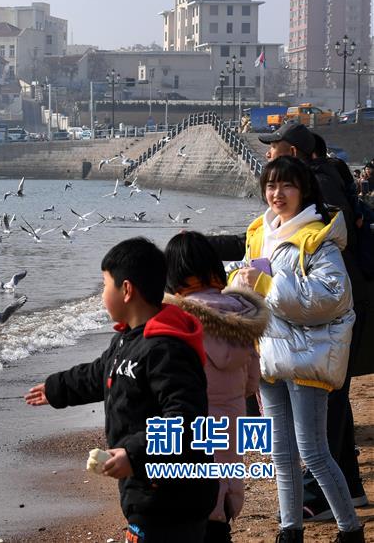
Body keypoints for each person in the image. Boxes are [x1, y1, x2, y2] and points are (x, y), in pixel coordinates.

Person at [208, 122, 372, 521]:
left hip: (312, 341)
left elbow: (325, 287)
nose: (276, 190)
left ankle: (341, 515)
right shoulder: (265, 227)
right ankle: (295, 523)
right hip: (274, 347)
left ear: (296, 159)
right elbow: (255, 265)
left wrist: (264, 283)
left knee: (314, 444)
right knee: (284, 451)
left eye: (275, 149)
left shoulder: (320, 217)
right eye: (270, 186)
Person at [25, 237, 217, 542]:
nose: (102, 295)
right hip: (145, 488)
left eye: (104, 285)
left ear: (126, 290)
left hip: (171, 493)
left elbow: (186, 419)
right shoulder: (127, 341)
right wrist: (55, 388)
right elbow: (98, 374)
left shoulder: (166, 349)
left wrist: (134, 453)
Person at [164, 231, 269, 543]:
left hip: (190, 429)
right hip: (231, 421)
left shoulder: (176, 321)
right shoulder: (243, 318)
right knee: (222, 493)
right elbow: (252, 382)